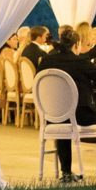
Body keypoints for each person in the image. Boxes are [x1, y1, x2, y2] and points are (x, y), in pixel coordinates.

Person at [38, 28, 96, 181]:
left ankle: (66, 173)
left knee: (64, 113)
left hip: (51, 117)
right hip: (81, 118)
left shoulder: (45, 61)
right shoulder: (80, 62)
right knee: (74, 112)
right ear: (76, 45)